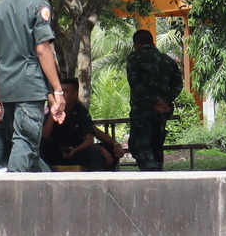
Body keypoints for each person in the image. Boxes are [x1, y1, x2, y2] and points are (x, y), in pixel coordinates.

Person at [0, 0, 66, 173]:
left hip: (6, 86)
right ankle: (12, 186)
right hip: (29, 86)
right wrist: (57, 90)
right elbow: (42, 50)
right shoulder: (39, 6)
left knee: (23, 143)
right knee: (26, 141)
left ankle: (48, 188)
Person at [124, 28, 182, 172]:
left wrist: (152, 102)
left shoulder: (134, 58)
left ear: (137, 45)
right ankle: (158, 174)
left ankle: (151, 175)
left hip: (142, 111)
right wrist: (164, 101)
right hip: (161, 112)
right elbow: (178, 85)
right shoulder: (168, 60)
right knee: (156, 146)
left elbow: (135, 84)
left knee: (139, 146)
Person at [42, 77, 123, 170]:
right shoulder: (52, 108)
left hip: (76, 150)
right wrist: (54, 113)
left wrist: (115, 144)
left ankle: (100, 177)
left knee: (103, 150)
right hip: (55, 151)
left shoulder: (80, 111)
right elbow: (44, 136)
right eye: (60, 92)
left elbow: (90, 137)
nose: (62, 95)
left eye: (65, 92)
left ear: (75, 94)